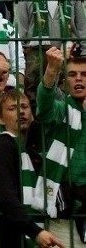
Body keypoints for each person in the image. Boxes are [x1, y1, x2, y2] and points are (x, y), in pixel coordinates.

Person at [0, 89, 68, 248]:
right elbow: (6, 195)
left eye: (24, 107)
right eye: (12, 108)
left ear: (32, 115)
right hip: (9, 239)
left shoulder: (29, 152)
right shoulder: (4, 145)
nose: (20, 111)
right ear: (0, 119)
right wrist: (35, 231)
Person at [35, 46, 86, 245]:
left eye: (84, 74)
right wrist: (51, 70)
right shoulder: (62, 110)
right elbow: (44, 109)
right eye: (73, 74)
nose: (79, 79)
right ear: (65, 84)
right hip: (61, 214)